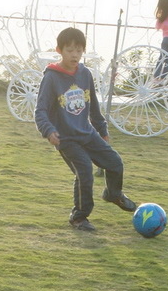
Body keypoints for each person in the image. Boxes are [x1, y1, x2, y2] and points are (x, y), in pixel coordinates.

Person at [34, 26, 135, 233]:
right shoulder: (51, 78)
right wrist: (48, 130)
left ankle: (113, 193)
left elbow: (94, 106)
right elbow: (40, 111)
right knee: (85, 172)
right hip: (66, 139)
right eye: (70, 50)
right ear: (59, 50)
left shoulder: (85, 73)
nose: (75, 55)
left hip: (87, 133)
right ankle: (79, 217)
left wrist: (101, 128)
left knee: (115, 162)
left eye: (79, 50)